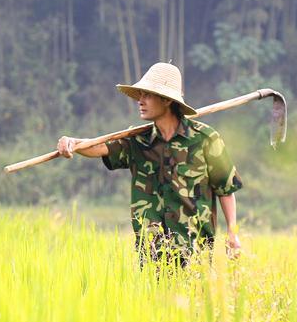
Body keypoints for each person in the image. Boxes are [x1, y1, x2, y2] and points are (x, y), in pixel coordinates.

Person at [57, 62, 242, 267]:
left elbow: (225, 188)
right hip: (152, 247)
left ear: (166, 100)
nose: (140, 101)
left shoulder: (206, 139)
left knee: (192, 298)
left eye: (147, 95)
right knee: (155, 298)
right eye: (140, 95)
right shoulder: (137, 141)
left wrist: (232, 234)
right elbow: (99, 148)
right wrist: (72, 143)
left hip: (194, 246)